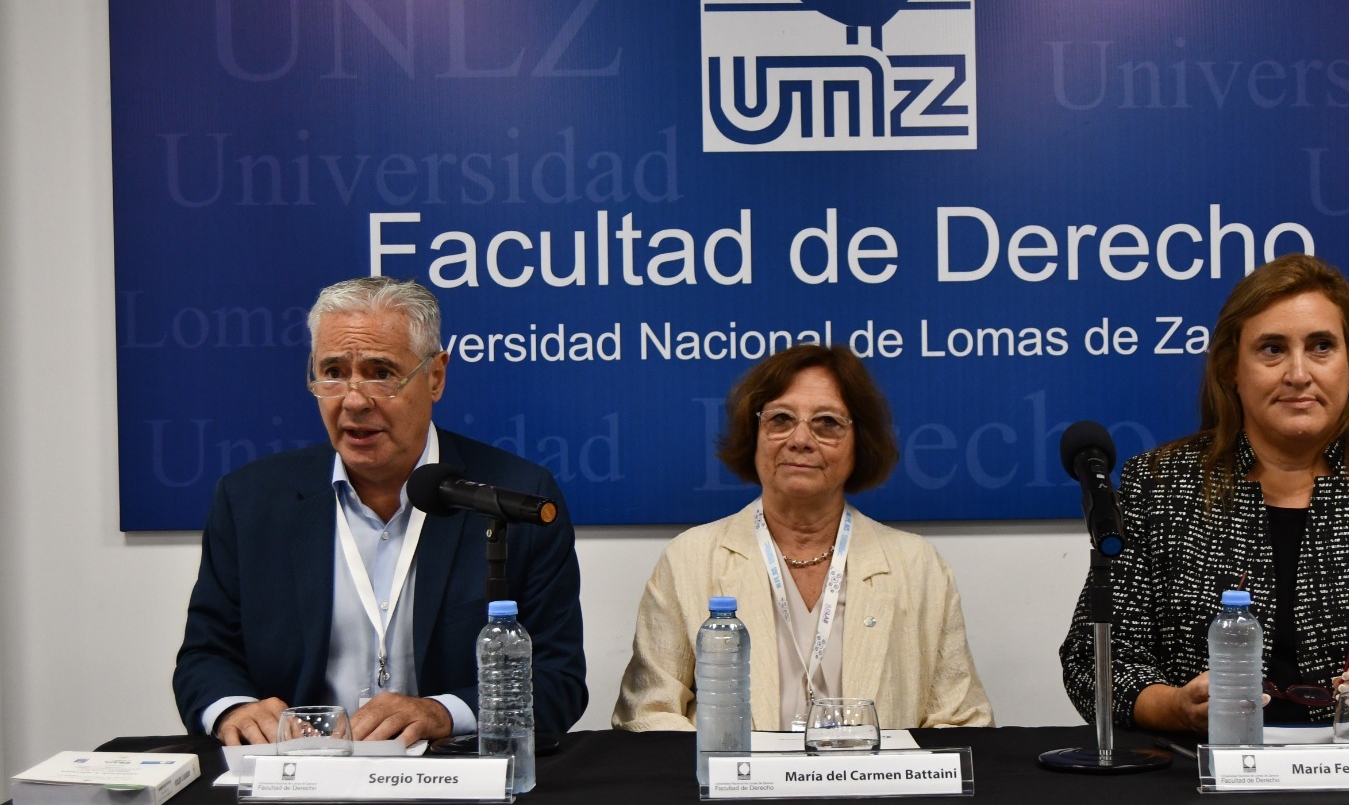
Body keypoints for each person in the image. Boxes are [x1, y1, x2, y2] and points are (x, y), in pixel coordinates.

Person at [1059, 254, 1349, 733]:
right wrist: (1175, 708)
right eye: (1272, 349)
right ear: (1233, 368)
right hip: (1197, 780)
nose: (1298, 373)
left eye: (1321, 347)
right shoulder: (1161, 486)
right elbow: (1094, 660)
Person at [173, 276, 586, 745]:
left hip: (448, 781)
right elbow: (204, 658)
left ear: (435, 376)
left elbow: (559, 679)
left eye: (381, 372)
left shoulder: (513, 497)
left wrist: (444, 713)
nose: (353, 400)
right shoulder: (250, 500)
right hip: (299, 781)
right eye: (332, 372)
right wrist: (235, 710)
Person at [613, 344, 992, 732]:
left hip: (876, 791)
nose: (800, 439)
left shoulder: (918, 565)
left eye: (827, 423)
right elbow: (648, 714)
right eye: (780, 419)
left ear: (860, 443)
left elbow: (961, 720)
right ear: (755, 434)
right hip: (740, 790)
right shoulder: (690, 559)